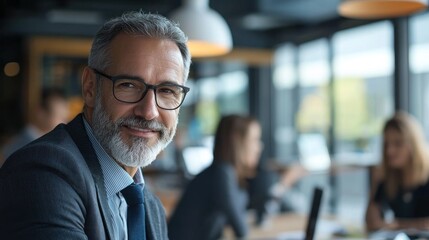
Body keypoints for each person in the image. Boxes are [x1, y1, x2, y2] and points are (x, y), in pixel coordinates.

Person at [0, 11, 191, 240]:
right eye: (128, 85)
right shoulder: (43, 171)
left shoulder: (151, 207)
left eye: (167, 91)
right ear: (90, 88)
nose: (149, 111)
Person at [168, 114, 263, 240]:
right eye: (254, 140)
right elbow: (241, 229)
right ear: (237, 141)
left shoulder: (225, 173)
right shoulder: (221, 174)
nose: (259, 147)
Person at [365, 111, 429, 233]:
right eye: (386, 144)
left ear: (413, 145)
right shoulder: (390, 177)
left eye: (398, 143)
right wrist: (375, 184)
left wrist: (397, 225)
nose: (389, 151)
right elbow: (371, 224)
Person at [0, 87, 69, 165]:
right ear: (41, 113)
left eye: (65, 118)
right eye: (59, 117)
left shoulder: (30, 141)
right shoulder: (31, 145)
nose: (64, 123)